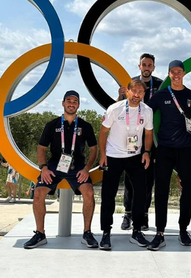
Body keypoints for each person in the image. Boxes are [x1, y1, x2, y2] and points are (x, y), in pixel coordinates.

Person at [23, 90, 98, 249]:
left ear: (78, 105)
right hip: (54, 165)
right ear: (63, 103)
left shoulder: (85, 125)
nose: (72, 104)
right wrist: (43, 168)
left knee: (89, 192)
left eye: (75, 101)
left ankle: (87, 233)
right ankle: (40, 233)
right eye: (69, 101)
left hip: (77, 166)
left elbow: (93, 149)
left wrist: (86, 169)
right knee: (38, 193)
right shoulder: (52, 125)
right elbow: (41, 148)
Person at [146, 60, 191, 251]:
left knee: (187, 191)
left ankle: (183, 229)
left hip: (185, 150)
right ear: (168, 74)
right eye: (173, 72)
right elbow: (144, 112)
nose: (176, 75)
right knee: (162, 191)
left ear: (183, 73)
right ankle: (160, 233)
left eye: (179, 71)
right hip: (164, 149)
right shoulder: (161, 95)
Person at [99, 80, 153, 250]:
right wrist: (102, 155)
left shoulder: (147, 110)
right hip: (113, 156)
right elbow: (103, 132)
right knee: (109, 194)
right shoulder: (115, 109)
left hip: (135, 156)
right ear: (127, 91)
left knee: (141, 193)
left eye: (141, 92)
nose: (137, 94)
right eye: (134, 91)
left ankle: (137, 231)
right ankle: (106, 233)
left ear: (144, 94)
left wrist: (146, 152)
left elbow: (149, 133)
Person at [118, 53, 163, 231]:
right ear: (139, 66)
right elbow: (118, 107)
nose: (146, 67)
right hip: (132, 134)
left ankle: (144, 215)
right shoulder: (131, 83)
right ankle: (128, 214)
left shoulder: (160, 85)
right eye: (143, 64)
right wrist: (120, 95)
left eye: (149, 65)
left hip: (152, 136)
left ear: (153, 67)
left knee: (148, 178)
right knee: (129, 176)